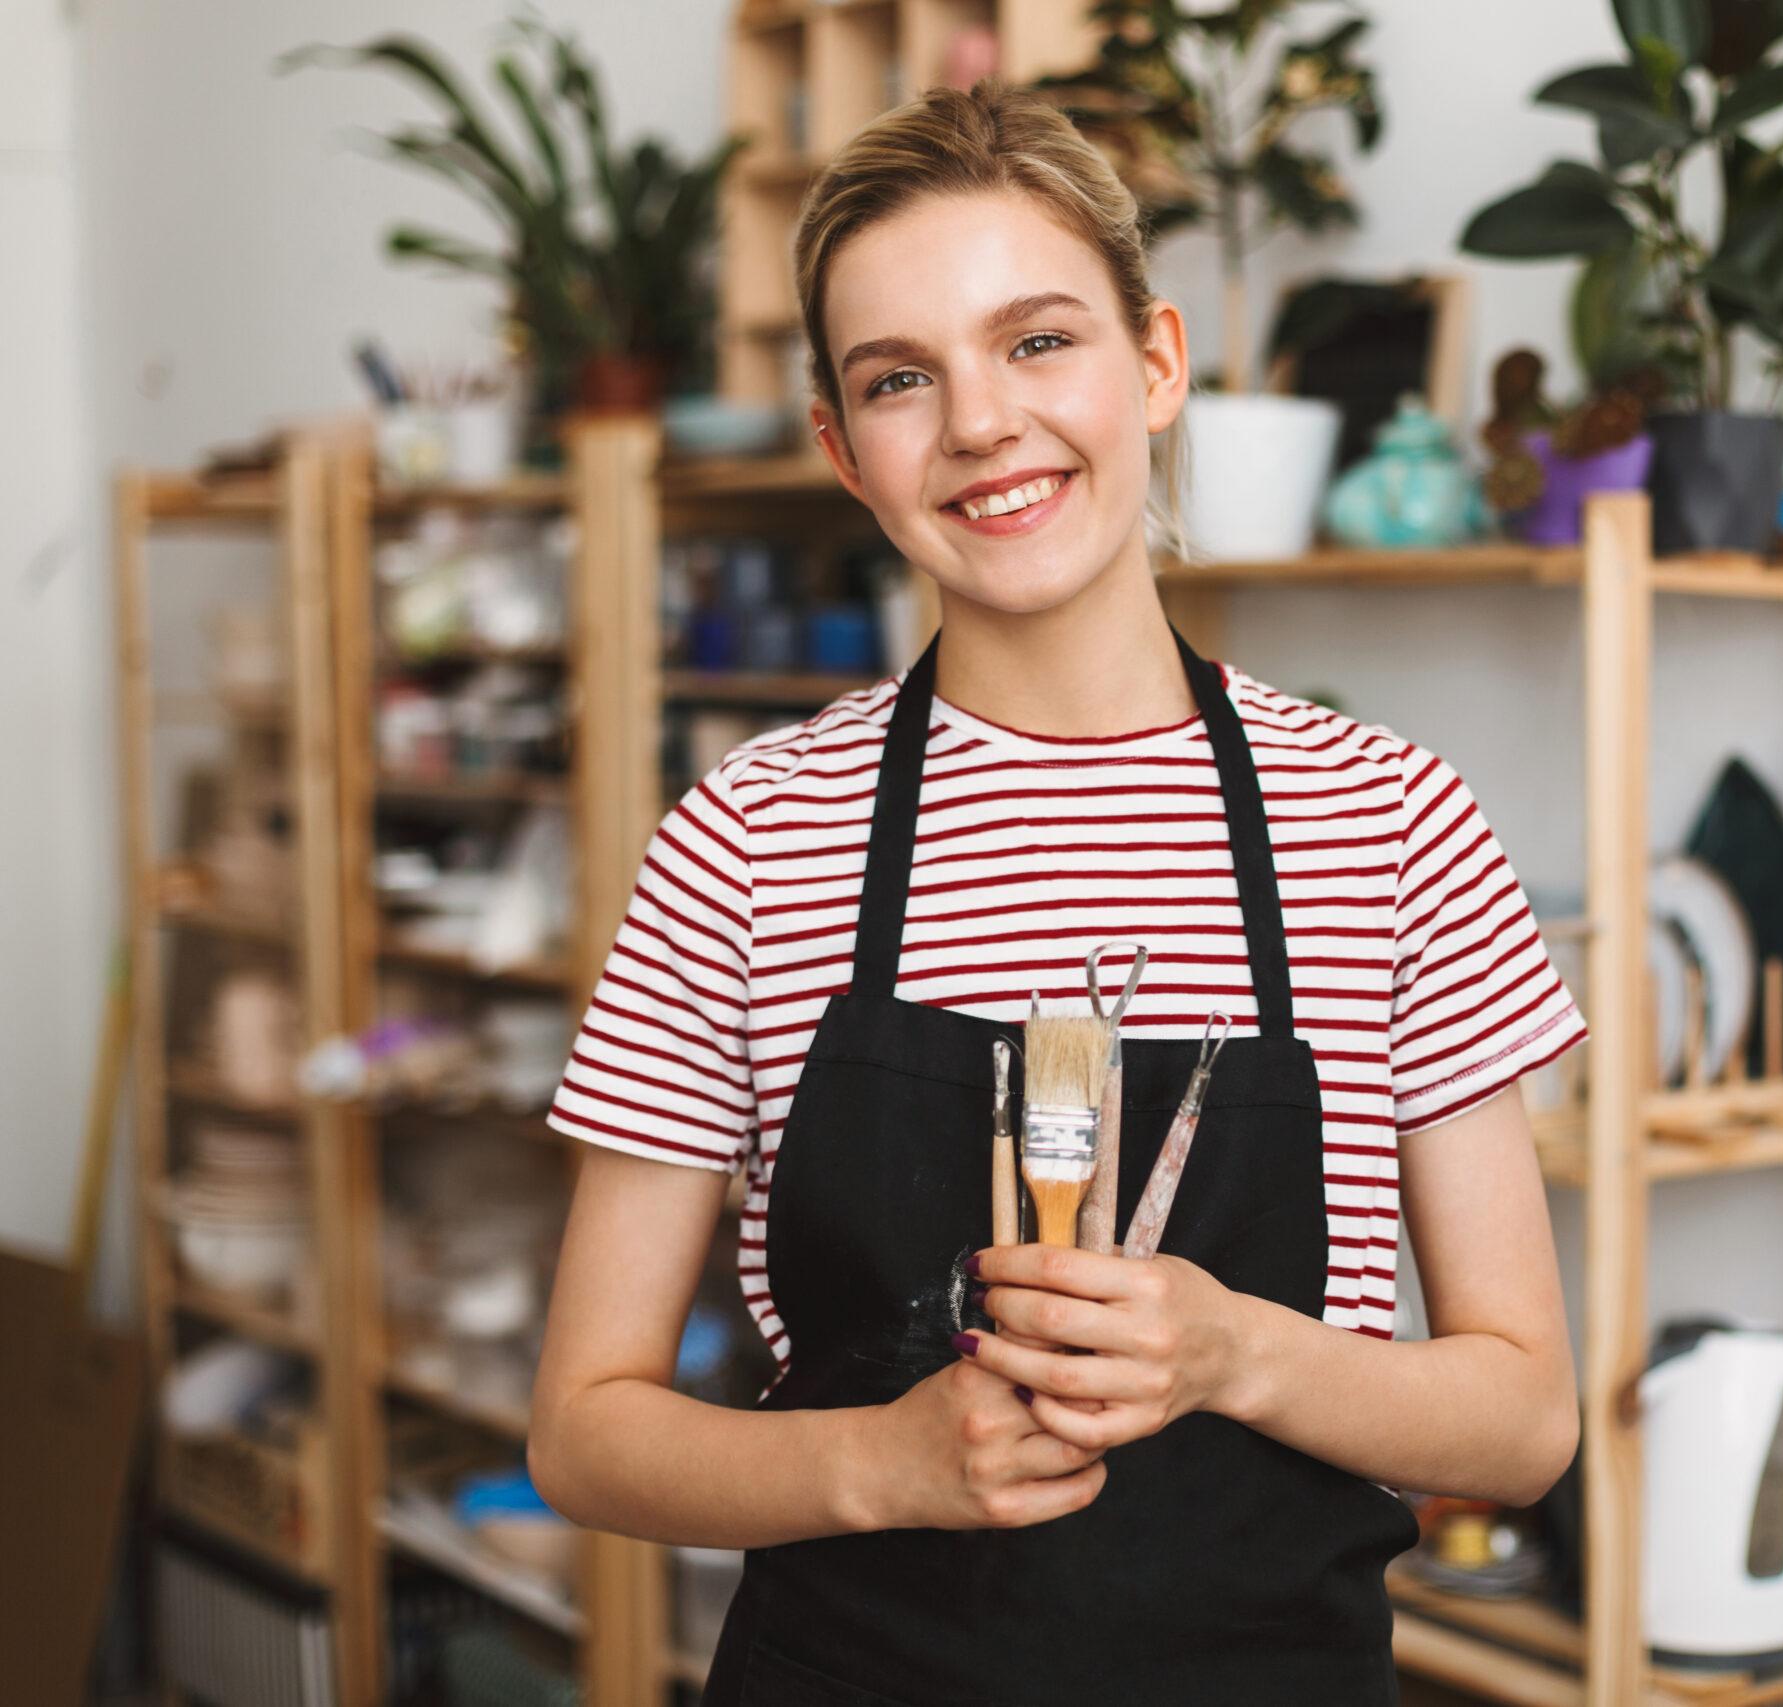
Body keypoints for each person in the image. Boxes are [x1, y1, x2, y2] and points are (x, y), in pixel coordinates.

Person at [527, 79, 1588, 1706]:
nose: (980, 424)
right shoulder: (745, 840)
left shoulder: (1387, 822)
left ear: (1155, 364)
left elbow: (1523, 1420)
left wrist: (1237, 1351)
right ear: (841, 448)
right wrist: (879, 1466)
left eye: (1037, 342)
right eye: (900, 378)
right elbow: (586, 1430)